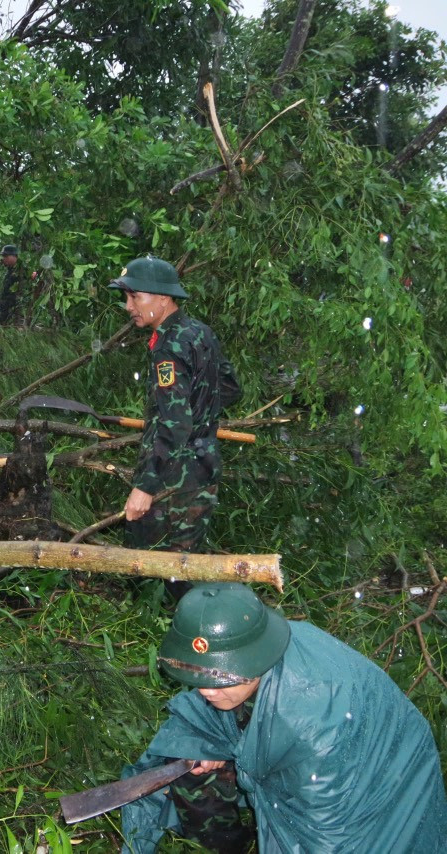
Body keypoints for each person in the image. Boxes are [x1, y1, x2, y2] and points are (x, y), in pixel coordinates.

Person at [120, 583, 447, 853]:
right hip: (312, 747)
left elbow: (326, 838)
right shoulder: (248, 654)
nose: (206, 691)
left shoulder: (312, 728)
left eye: (220, 679)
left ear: (256, 660)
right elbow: (195, 723)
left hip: (372, 780)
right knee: (188, 760)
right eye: (197, 675)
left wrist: (240, 764)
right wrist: (204, 747)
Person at [108, 257, 240, 601]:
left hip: (172, 479)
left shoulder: (168, 347)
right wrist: (202, 418)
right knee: (183, 565)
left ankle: (149, 627)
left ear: (163, 297)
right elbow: (229, 388)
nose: (128, 306)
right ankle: (187, 625)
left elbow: (175, 423)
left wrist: (145, 487)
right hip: (203, 469)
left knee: (148, 569)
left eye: (135, 297)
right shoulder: (200, 332)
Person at [0, 244, 22, 325]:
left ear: (14, 256)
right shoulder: (10, 271)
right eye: (3, 256)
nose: (4, 259)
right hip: (5, 310)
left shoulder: (22, 271)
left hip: (14, 311)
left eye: (6, 256)